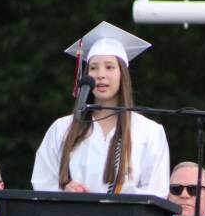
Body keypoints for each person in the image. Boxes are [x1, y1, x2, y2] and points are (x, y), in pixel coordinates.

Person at [31, 21, 170, 198]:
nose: (101, 74)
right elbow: (43, 179)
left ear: (123, 75)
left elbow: (156, 191)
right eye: (94, 68)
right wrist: (64, 191)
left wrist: (123, 196)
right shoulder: (63, 128)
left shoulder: (148, 131)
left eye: (110, 67)